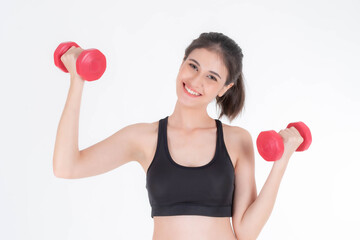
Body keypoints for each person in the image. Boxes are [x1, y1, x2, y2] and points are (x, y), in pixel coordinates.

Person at [53, 32, 304, 240]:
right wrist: (78, 79)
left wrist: (282, 161)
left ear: (224, 89)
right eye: (192, 66)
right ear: (182, 62)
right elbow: (67, 166)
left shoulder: (237, 140)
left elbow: (246, 232)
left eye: (211, 77)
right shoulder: (144, 137)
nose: (195, 80)